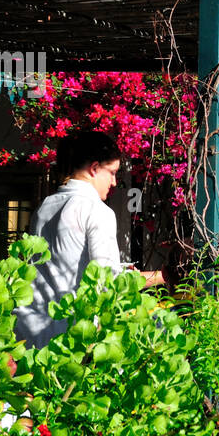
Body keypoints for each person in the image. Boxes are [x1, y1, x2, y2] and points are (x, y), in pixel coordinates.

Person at [13, 131, 164, 350]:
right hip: (69, 337)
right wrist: (163, 276)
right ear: (94, 169)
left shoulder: (45, 206)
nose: (113, 182)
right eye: (112, 172)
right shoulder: (96, 210)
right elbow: (109, 282)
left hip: (28, 331)